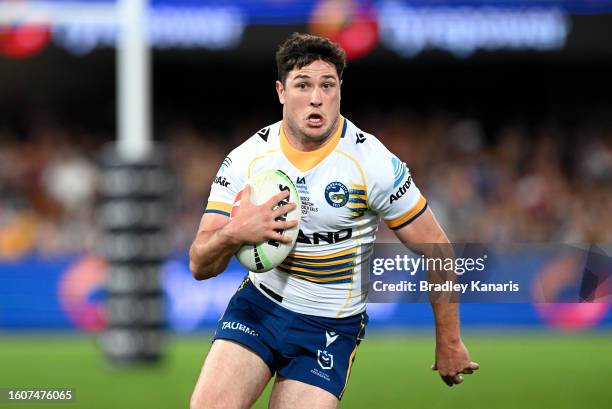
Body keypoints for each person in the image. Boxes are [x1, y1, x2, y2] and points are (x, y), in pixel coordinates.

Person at [189, 32, 479, 409]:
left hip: (328, 328)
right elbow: (199, 263)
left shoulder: (372, 164)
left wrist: (450, 341)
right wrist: (235, 231)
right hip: (258, 308)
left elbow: (438, 250)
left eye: (327, 85)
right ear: (280, 91)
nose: (316, 97)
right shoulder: (248, 159)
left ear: (340, 89)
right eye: (302, 85)